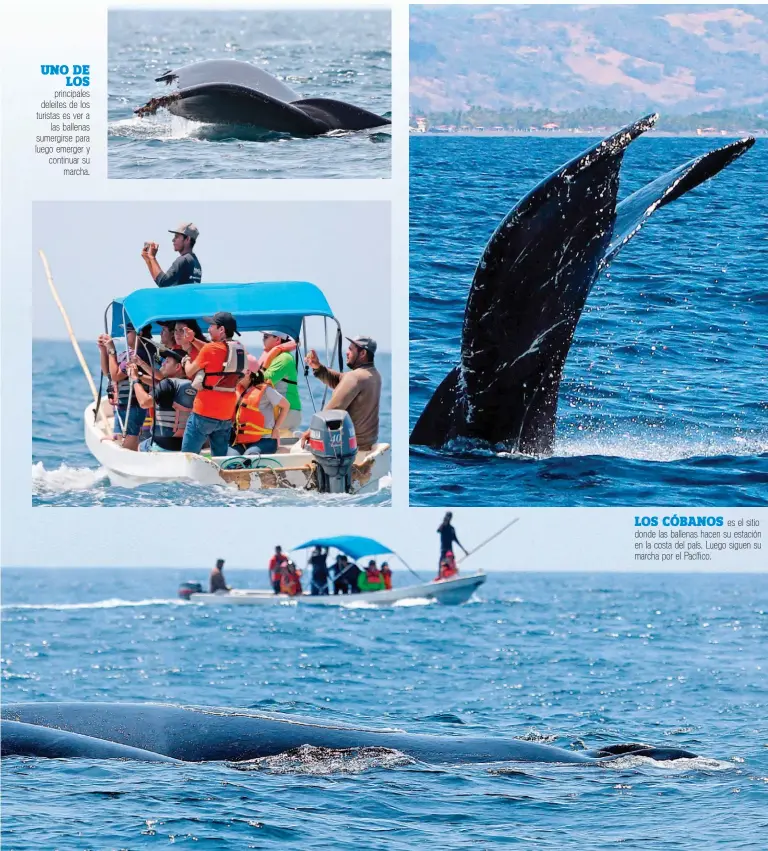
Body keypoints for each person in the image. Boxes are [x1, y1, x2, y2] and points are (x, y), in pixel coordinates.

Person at [179, 312, 247, 457]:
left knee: (188, 457)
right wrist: (193, 340)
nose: (208, 329)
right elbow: (213, 351)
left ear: (221, 329)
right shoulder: (238, 349)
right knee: (220, 459)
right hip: (226, 414)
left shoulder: (211, 349)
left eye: (211, 326)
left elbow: (190, 371)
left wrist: (185, 360)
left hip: (204, 411)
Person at [301, 336, 381, 451]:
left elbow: (333, 410)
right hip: (367, 444)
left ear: (362, 353)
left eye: (350, 349)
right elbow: (340, 380)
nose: (346, 352)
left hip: (350, 448)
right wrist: (317, 367)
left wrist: (310, 431)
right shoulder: (373, 375)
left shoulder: (355, 377)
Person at [126, 350, 198, 452]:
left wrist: (135, 379)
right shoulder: (193, 385)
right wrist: (140, 375)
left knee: (141, 447)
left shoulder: (167, 384)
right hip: (187, 444)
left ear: (177, 367)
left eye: (167, 361)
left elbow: (144, 402)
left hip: (163, 445)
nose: (162, 363)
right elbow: (160, 387)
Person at [98, 324, 152, 451]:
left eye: (128, 332)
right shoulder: (126, 354)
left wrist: (112, 350)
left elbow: (116, 376)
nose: (125, 335)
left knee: (131, 437)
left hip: (134, 405)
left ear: (140, 333)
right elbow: (109, 373)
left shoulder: (139, 355)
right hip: (123, 404)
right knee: (124, 436)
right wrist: (103, 351)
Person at [228, 360, 290, 456]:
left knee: (250, 457)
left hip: (265, 440)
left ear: (248, 373)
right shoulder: (237, 390)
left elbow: (286, 405)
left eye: (237, 369)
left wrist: (276, 428)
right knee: (229, 459)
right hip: (241, 441)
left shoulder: (266, 390)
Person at [258, 332, 302, 431]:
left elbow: (262, 380)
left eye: (265, 337)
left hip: (287, 413)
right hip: (278, 411)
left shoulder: (284, 358)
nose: (262, 339)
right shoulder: (275, 356)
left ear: (278, 339)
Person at [142, 223, 202, 288]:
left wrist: (152, 258)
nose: (173, 240)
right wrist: (148, 261)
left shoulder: (183, 260)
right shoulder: (196, 262)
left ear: (187, 239)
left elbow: (163, 282)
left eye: (176, 237)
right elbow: (161, 282)